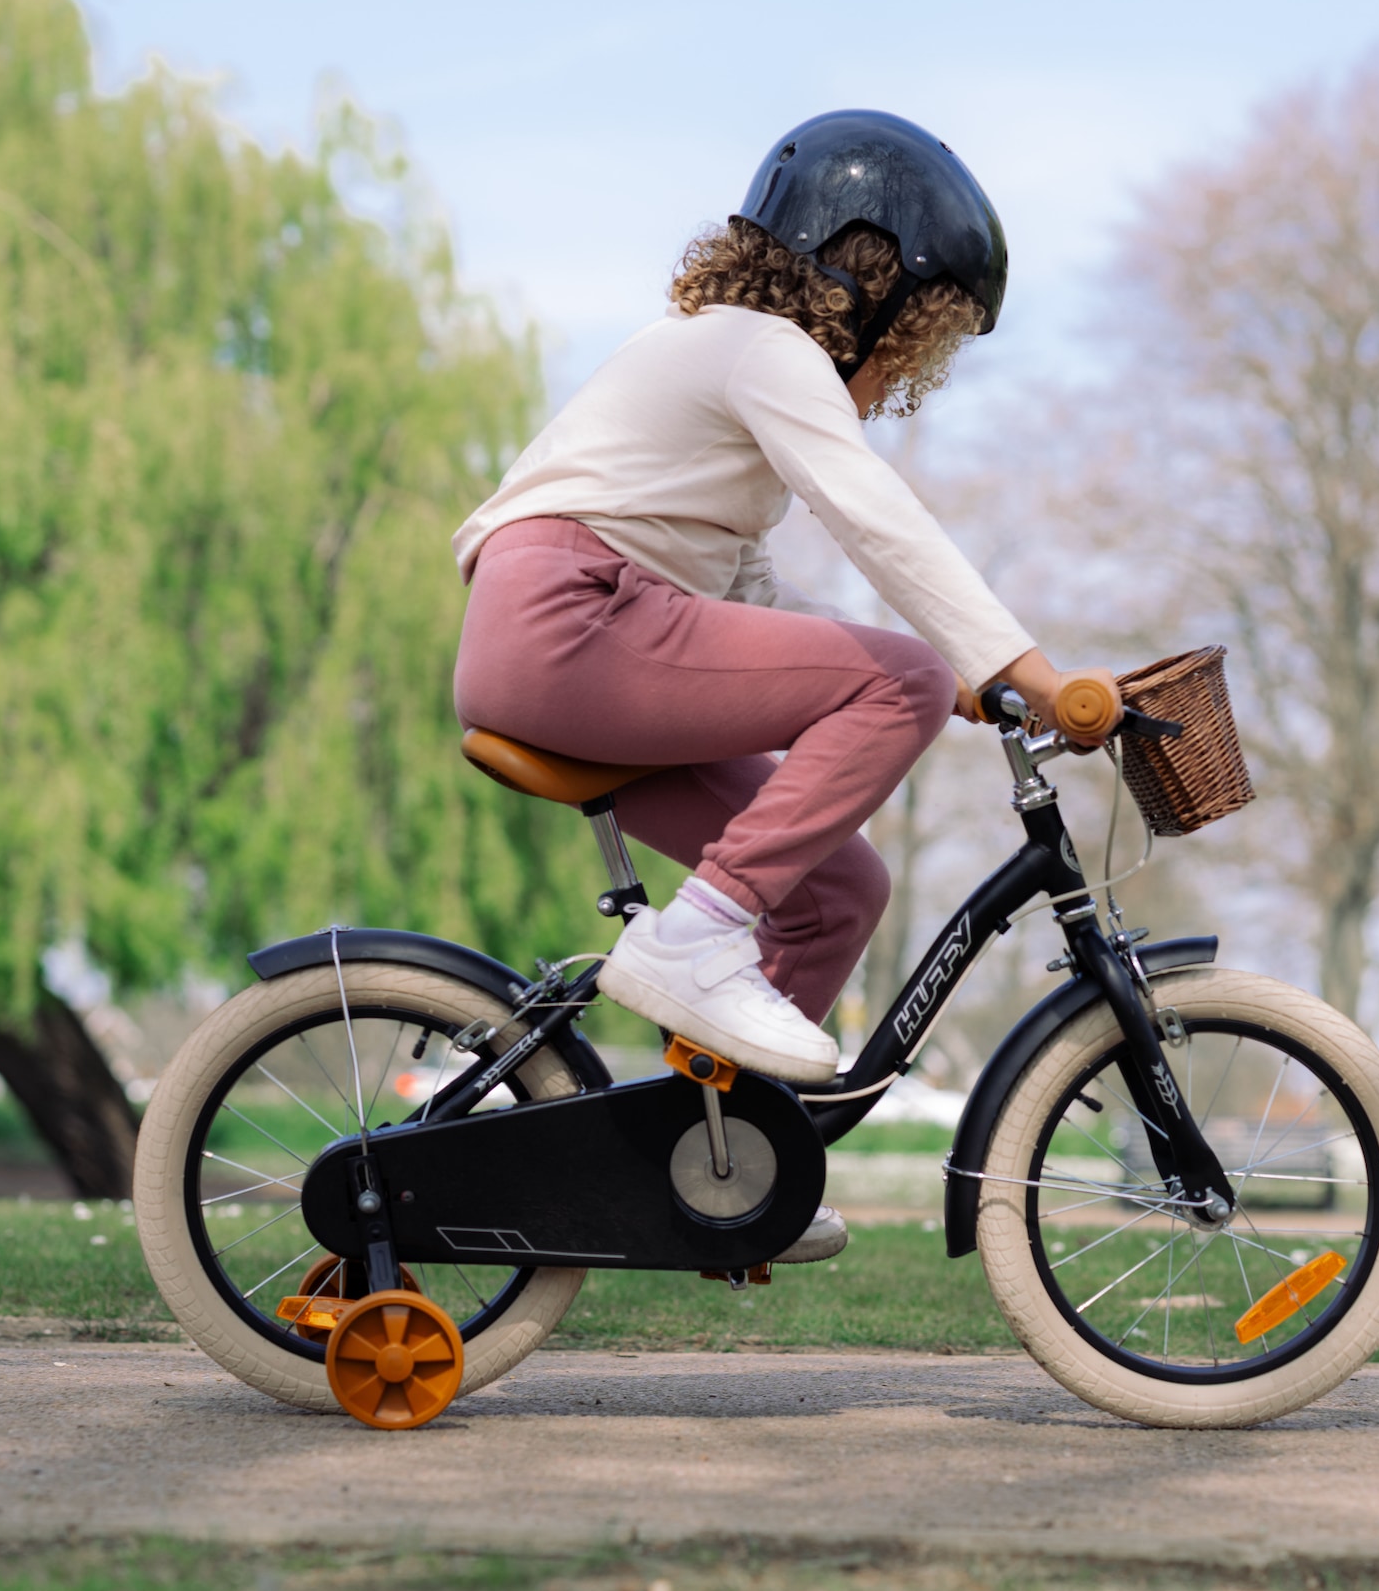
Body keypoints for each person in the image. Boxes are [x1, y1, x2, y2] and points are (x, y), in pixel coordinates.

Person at [451, 110, 1104, 1261]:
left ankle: (727, 1168)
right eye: (920, 335)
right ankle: (694, 940)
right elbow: (877, 517)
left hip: (594, 639)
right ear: (867, 280)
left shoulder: (719, 369)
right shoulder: (761, 348)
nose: (908, 368)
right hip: (570, 622)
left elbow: (756, 606)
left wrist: (957, 683)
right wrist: (1025, 672)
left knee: (838, 887)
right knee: (893, 679)